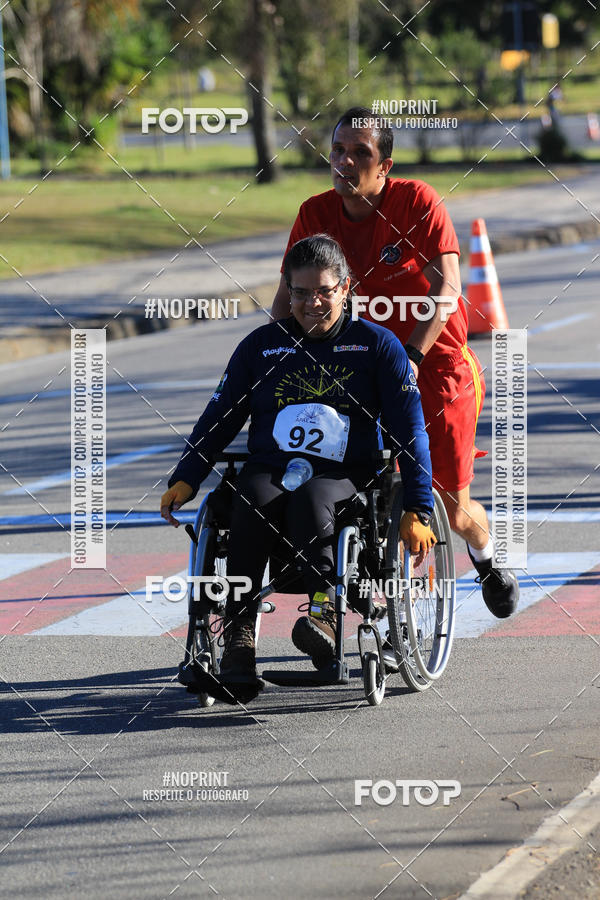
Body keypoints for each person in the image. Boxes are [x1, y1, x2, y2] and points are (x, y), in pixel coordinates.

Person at [271, 107, 519, 619]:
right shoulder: (315, 214)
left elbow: (447, 288)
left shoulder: (416, 202)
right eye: (338, 150)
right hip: (359, 369)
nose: (345, 161)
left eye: (360, 153)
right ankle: (365, 593)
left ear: (385, 166)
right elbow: (287, 299)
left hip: (435, 368)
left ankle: (487, 557)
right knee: (348, 481)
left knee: (450, 507)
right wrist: (273, 357)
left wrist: (411, 356)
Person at [161, 234, 436, 691]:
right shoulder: (261, 347)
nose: (313, 303)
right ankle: (239, 639)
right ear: (287, 291)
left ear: (345, 288)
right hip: (272, 467)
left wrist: (418, 506)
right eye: (301, 292)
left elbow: (411, 431)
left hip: (345, 473)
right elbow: (220, 416)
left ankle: (325, 615)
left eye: (324, 291)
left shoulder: (378, 346)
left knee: (312, 497)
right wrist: (186, 477)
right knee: (250, 498)